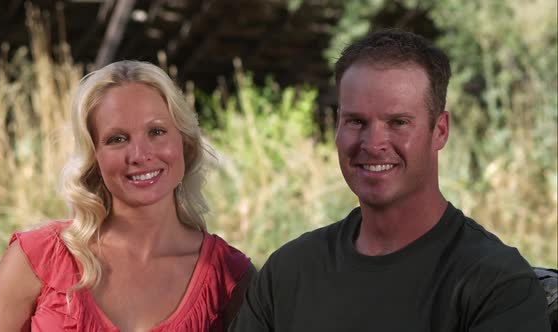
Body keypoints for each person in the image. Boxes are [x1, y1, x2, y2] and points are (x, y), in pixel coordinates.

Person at [230, 29, 550, 331]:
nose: (373, 143)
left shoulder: (496, 284)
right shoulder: (288, 272)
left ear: (439, 131)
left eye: (398, 122)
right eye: (356, 121)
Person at [0, 60, 255, 332]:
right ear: (94, 157)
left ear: (184, 143)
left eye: (156, 131)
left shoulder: (230, 276)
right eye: (117, 139)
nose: (139, 155)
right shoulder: (36, 259)